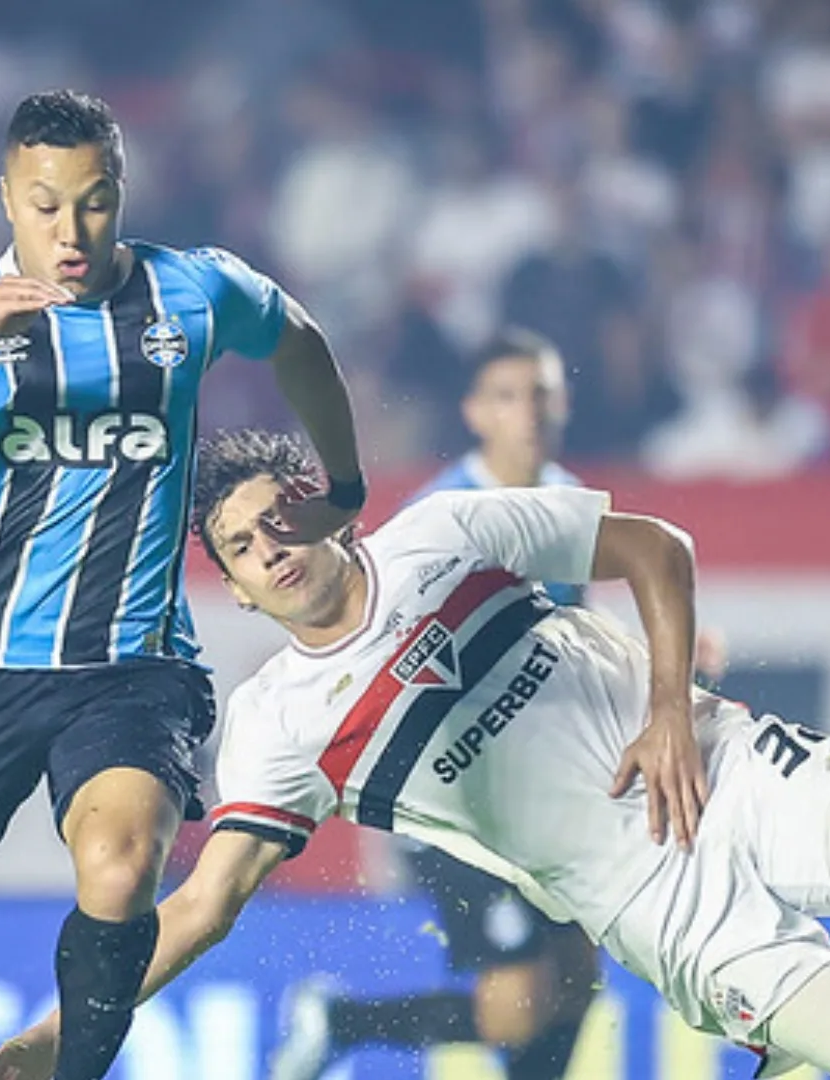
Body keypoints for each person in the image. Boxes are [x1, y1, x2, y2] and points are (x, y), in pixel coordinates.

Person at [0, 429, 830, 1080]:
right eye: (241, 547)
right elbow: (205, 905)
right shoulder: (278, 726)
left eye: (280, 521)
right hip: (652, 905)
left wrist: (664, 710)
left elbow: (658, 547)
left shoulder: (446, 534)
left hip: (717, 767)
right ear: (231, 582)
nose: (271, 551)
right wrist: (57, 1035)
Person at [0, 91, 365, 1080]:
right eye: (45, 206)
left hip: (133, 666)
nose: (70, 230)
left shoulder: (194, 292)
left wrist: (344, 485)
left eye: (92, 203)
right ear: (7, 199)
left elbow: (297, 340)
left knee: (124, 869)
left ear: (120, 194)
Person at [269, 329, 599, 1080]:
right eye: (510, 397)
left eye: (543, 394)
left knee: (578, 973)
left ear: (565, 402)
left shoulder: (574, 501)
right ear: (476, 412)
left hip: (540, 794)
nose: (531, 413)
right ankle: (345, 1021)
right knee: (514, 1004)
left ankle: (343, 1022)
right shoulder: (440, 518)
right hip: (454, 797)